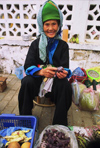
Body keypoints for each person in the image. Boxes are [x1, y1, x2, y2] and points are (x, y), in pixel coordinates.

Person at [18, 0, 72, 126]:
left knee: (65, 85)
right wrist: (41, 71)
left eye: (54, 24)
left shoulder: (63, 46)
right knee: (26, 82)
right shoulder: (35, 44)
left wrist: (63, 73)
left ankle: (59, 125)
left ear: (59, 24)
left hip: (55, 83)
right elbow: (27, 66)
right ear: (41, 25)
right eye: (47, 24)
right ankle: (25, 122)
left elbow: (66, 68)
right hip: (38, 79)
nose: (51, 28)